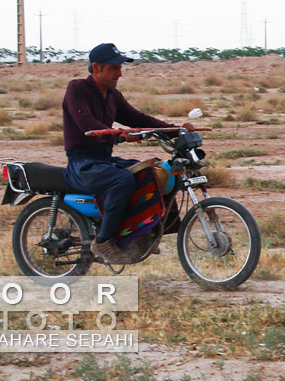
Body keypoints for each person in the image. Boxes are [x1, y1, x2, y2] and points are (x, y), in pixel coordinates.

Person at [62, 43, 193, 264]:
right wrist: (120, 134)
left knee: (153, 172)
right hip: (82, 163)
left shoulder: (114, 96)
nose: (119, 73)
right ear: (96, 67)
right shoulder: (77, 89)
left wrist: (175, 129)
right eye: (114, 68)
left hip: (103, 160)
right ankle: (103, 241)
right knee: (121, 180)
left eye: (120, 68)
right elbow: (88, 125)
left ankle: (141, 233)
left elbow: (140, 120)